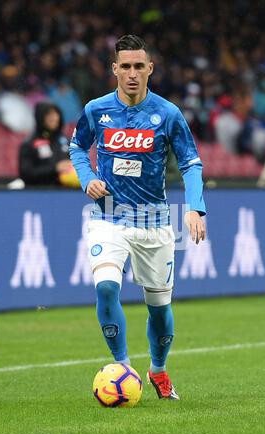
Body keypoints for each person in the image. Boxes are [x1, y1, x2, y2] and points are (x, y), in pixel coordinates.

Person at [69, 35, 206, 400]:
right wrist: (88, 179)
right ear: (114, 69)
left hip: (155, 222)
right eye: (125, 66)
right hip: (107, 217)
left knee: (159, 311)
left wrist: (195, 206)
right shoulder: (96, 109)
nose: (132, 74)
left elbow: (191, 162)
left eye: (138, 66)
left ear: (150, 69)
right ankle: (124, 368)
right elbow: (77, 147)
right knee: (107, 287)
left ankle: (158, 370)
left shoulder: (168, 114)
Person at [19, 102, 72, 186]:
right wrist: (54, 168)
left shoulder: (66, 141)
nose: (54, 118)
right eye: (49, 115)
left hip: (65, 192)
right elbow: (26, 174)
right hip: (40, 193)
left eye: (56, 114)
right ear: (40, 117)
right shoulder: (29, 144)